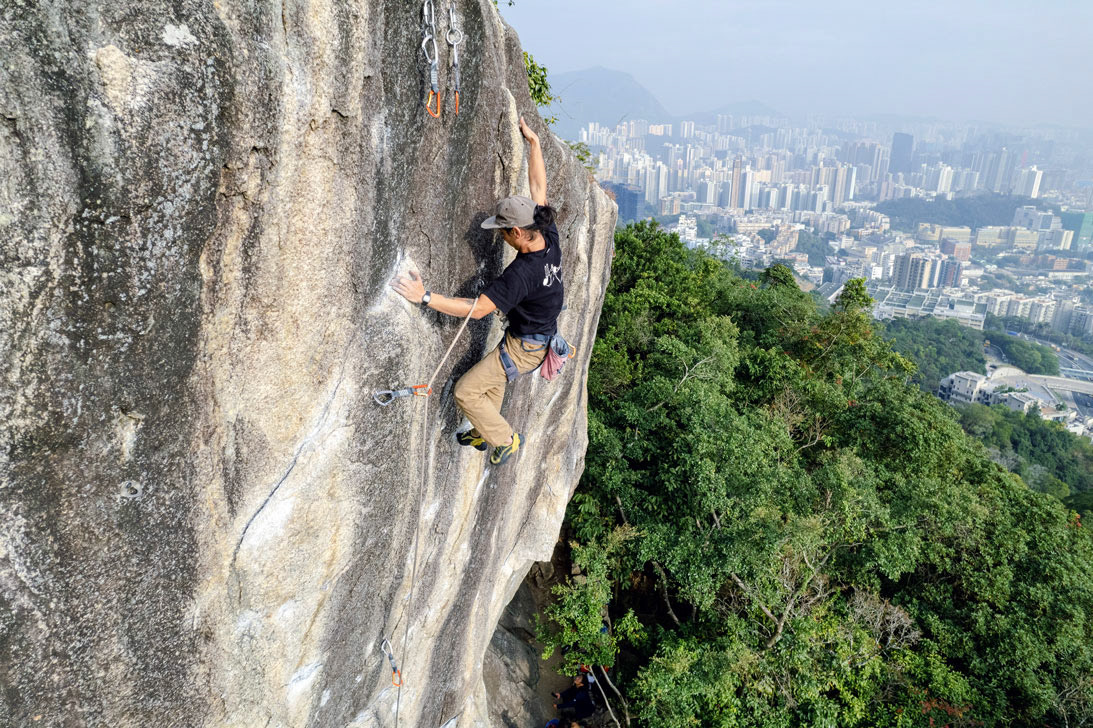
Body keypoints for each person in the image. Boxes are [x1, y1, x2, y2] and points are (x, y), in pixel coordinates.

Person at [390, 117, 563, 466]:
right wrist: (534, 145)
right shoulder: (547, 234)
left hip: (526, 348)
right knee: (493, 378)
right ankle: (485, 430)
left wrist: (425, 297)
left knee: (466, 391)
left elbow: (479, 308)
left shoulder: (522, 273)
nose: (500, 236)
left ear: (517, 232)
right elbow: (539, 190)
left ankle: (505, 440)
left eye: (503, 231)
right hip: (531, 338)